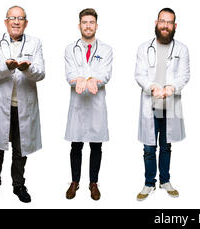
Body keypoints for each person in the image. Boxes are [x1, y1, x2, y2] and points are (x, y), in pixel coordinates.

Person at [0, 5, 45, 203]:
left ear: (26, 23)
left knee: (20, 148)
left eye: (20, 18)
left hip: (23, 105)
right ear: (6, 22)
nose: (16, 22)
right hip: (0, 104)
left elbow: (41, 73)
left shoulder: (35, 43)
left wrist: (28, 68)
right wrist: (6, 66)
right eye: (12, 18)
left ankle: (18, 185)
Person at [134, 8, 190, 201]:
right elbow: (139, 74)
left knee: (166, 146)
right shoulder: (143, 48)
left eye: (169, 22)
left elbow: (184, 75)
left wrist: (170, 88)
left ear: (175, 26)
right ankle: (149, 183)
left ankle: (165, 180)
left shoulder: (182, 49)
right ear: (156, 23)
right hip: (151, 102)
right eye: (162, 21)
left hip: (170, 104)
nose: (165, 25)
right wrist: (152, 87)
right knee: (149, 148)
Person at [64, 8, 113, 201]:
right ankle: (74, 182)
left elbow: (105, 73)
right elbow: (70, 73)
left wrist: (91, 79)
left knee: (96, 145)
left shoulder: (106, 49)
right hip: (77, 103)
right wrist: (79, 79)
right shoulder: (70, 48)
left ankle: (93, 183)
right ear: (79, 25)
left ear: (96, 26)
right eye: (84, 22)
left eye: (91, 22)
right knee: (76, 145)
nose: (88, 26)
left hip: (96, 103)